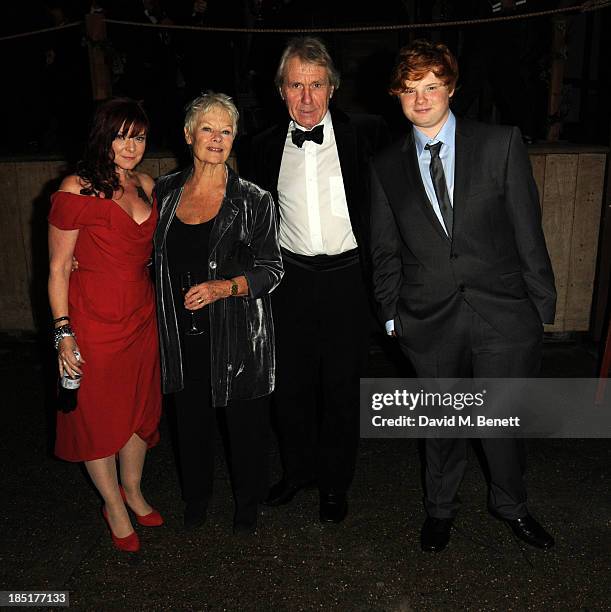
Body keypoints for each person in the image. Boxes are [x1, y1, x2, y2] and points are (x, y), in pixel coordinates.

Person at [370, 40, 557, 552]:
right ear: (398, 96)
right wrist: (392, 316)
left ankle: (512, 506)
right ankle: (439, 510)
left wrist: (540, 308)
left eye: (432, 86)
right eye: (411, 90)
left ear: (451, 87)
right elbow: (384, 251)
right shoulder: (386, 164)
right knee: (441, 426)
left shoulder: (500, 143)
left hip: (503, 315)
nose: (422, 98)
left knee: (502, 426)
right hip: (427, 319)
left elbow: (528, 229)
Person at [249, 37, 388, 523]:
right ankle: (297, 472)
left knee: (340, 389)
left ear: (332, 88)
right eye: (295, 86)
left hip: (349, 280)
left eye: (316, 85)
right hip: (291, 282)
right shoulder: (262, 147)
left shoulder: (367, 135)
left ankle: (335, 483)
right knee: (288, 388)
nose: (306, 98)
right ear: (281, 90)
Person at [153, 92, 283, 534]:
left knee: (245, 427)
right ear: (188, 134)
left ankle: (248, 503)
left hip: (239, 334)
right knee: (189, 423)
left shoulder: (253, 199)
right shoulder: (165, 192)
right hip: (181, 333)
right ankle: (196, 499)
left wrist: (224, 288)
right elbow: (145, 254)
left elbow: (272, 269)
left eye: (226, 130)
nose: (216, 138)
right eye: (207, 128)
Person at [48, 98, 163, 553]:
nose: (130, 145)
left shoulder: (148, 185)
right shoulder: (76, 188)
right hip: (92, 320)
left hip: (141, 315)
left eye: (138, 136)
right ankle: (113, 504)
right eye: (121, 134)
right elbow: (57, 268)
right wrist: (62, 331)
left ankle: (132, 489)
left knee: (138, 409)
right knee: (97, 416)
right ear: (103, 136)